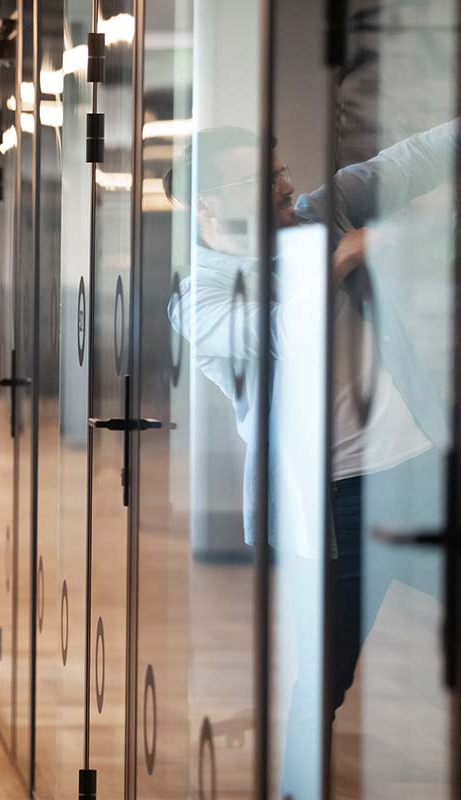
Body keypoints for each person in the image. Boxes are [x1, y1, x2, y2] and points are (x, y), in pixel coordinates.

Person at [164, 118, 456, 794]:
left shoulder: (325, 210)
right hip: (328, 508)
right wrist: (343, 256)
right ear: (208, 205)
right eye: (260, 180)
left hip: (420, 472)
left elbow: (416, 156)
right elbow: (284, 336)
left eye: (280, 168)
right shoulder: (198, 297)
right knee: (321, 680)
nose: (286, 186)